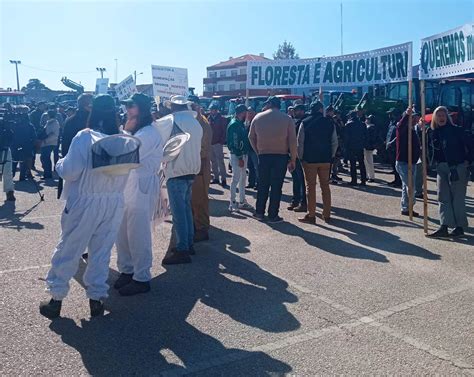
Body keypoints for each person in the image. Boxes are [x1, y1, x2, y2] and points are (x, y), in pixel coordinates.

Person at [40, 94, 137, 319]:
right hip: (113, 202)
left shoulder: (85, 137)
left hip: (85, 201)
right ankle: (96, 300)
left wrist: (60, 164)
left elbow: (70, 171)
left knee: (69, 249)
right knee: (101, 252)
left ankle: (55, 300)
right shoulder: (124, 138)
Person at [114, 93, 163, 296]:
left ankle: (141, 277)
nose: (127, 109)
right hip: (126, 183)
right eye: (126, 106)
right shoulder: (135, 129)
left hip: (142, 184)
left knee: (138, 232)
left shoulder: (149, 133)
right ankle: (127, 269)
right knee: (122, 229)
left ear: (141, 109)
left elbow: (127, 152)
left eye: (131, 106)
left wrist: (122, 130)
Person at [162, 95, 203, 265]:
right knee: (185, 210)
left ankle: (183, 248)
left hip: (177, 170)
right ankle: (188, 243)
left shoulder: (171, 120)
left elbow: (163, 145)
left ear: (173, 106)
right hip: (191, 170)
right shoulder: (195, 122)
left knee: (179, 213)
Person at [249, 96, 297, 223]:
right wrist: (293, 159)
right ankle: (273, 215)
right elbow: (292, 140)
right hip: (280, 156)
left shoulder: (258, 117)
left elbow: (250, 137)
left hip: (263, 155)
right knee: (276, 186)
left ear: (269, 104)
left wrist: (258, 151)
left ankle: (259, 212)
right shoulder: (287, 119)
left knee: (263, 185)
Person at [427, 106, 473, 238]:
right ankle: (444, 226)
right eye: (438, 115)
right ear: (435, 117)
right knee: (442, 197)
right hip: (441, 167)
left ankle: (459, 227)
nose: (441, 118)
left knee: (457, 198)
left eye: (443, 115)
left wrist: (468, 160)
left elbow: (471, 145)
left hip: (457, 167)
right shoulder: (432, 132)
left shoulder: (456, 130)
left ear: (447, 117)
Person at [297, 101, 338, 224]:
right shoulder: (330, 122)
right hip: (325, 159)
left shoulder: (305, 122)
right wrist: (331, 155)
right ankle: (327, 214)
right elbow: (334, 142)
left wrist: (301, 157)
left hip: (310, 159)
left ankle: (311, 214)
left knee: (311, 187)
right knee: (325, 186)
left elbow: (300, 142)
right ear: (321, 110)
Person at [188, 95, 213, 243]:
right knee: (193, 199)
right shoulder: (195, 122)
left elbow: (203, 149)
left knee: (200, 199)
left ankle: (202, 229)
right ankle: (196, 225)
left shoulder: (202, 123)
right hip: (195, 165)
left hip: (200, 166)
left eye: (192, 106)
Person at [395, 108, 421, 217]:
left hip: (412, 162)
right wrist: (406, 114)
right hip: (404, 162)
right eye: (413, 117)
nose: (415, 119)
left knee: (406, 186)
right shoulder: (402, 129)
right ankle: (409, 206)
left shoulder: (412, 130)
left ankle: (406, 207)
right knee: (410, 186)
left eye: (415, 117)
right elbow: (401, 126)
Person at [227, 104, 252, 212]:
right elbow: (234, 142)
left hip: (242, 154)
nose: (247, 114)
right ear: (242, 113)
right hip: (237, 155)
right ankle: (232, 202)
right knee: (236, 179)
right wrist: (240, 157)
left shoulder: (239, 123)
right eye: (246, 112)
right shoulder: (234, 124)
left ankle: (242, 201)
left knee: (242, 178)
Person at [288, 103, 307, 212]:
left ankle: (303, 202)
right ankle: (295, 200)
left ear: (301, 111)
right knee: (296, 179)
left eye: (296, 111)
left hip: (300, 156)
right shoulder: (296, 122)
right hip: (293, 154)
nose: (294, 113)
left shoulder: (304, 122)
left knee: (301, 180)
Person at [11, 106, 36, 181]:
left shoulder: (14, 124)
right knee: (24, 162)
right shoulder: (29, 125)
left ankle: (11, 176)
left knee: (14, 161)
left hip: (15, 144)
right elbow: (34, 136)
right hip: (26, 145)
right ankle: (22, 177)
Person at [344, 111, 367, 186]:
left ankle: (354, 180)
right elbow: (365, 135)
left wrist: (346, 146)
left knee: (352, 164)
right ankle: (363, 180)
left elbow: (346, 137)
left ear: (351, 116)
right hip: (360, 146)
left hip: (351, 146)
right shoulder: (362, 124)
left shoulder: (348, 124)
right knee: (361, 163)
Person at [208, 103, 228, 187]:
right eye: (211, 109)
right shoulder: (208, 118)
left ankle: (223, 179)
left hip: (218, 143)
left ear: (216, 110)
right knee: (213, 162)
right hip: (210, 143)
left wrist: (221, 141)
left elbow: (224, 131)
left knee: (220, 161)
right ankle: (216, 178)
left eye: (213, 109)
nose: (212, 111)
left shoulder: (222, 119)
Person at [40, 109, 60, 179]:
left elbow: (54, 135)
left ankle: (47, 174)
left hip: (50, 143)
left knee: (45, 158)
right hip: (47, 143)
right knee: (45, 158)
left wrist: (45, 141)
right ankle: (47, 173)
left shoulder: (54, 123)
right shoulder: (49, 122)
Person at [385, 108, 402, 187]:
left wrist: (392, 143)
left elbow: (399, 135)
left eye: (391, 114)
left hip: (395, 147)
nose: (389, 115)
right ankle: (396, 180)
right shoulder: (392, 122)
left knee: (397, 166)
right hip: (390, 147)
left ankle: (399, 181)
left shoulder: (399, 123)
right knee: (393, 166)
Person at [245, 107, 258, 189]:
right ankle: (251, 182)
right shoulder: (248, 122)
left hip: (254, 149)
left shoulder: (256, 122)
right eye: (248, 113)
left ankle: (258, 183)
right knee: (250, 167)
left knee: (256, 167)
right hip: (248, 149)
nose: (248, 114)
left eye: (250, 113)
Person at [364, 115, 378, 182]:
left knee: (369, 162)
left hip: (368, 146)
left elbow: (370, 138)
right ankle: (368, 176)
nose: (366, 120)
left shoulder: (371, 127)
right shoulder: (370, 127)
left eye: (368, 119)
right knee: (367, 161)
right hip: (368, 146)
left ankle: (371, 177)